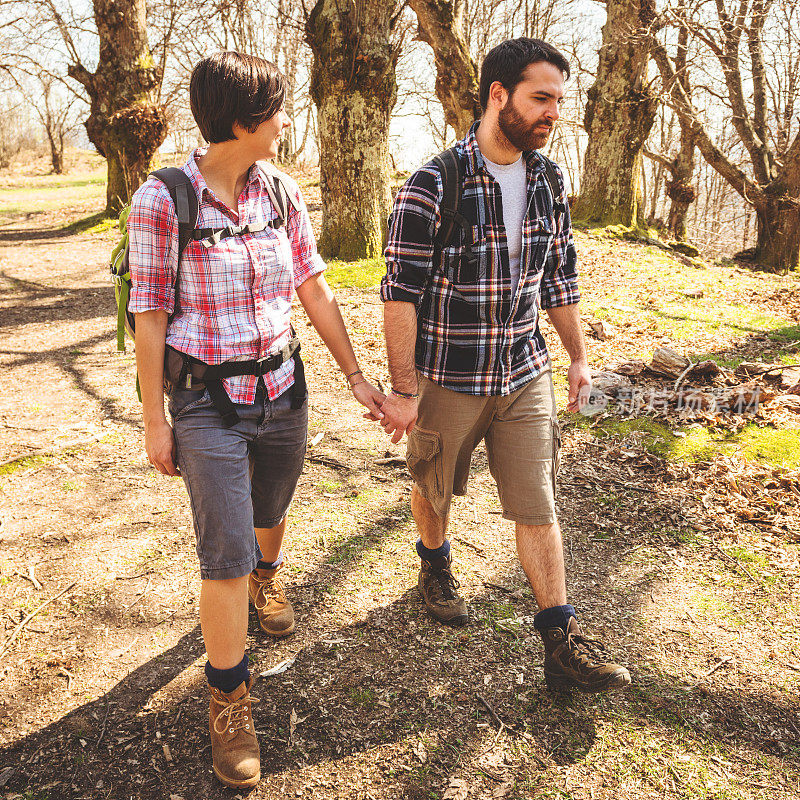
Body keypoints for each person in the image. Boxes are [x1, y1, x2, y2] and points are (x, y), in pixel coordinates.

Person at [128, 51, 384, 788]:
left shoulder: (280, 191)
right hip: (207, 403)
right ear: (243, 122)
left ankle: (268, 579)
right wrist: (155, 420)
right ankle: (229, 697)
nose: (285, 123)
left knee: (271, 513)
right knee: (227, 553)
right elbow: (150, 314)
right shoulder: (163, 199)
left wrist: (358, 379)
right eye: (276, 112)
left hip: (283, 390)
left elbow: (313, 285)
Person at [380, 38, 630, 693]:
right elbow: (399, 296)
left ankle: (560, 638)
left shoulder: (549, 180)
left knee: (536, 503)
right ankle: (434, 562)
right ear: (498, 95)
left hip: (525, 373)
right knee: (432, 486)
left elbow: (560, 280)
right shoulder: (432, 185)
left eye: (558, 101)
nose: (553, 113)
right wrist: (404, 391)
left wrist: (577, 358)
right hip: (449, 376)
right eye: (540, 98)